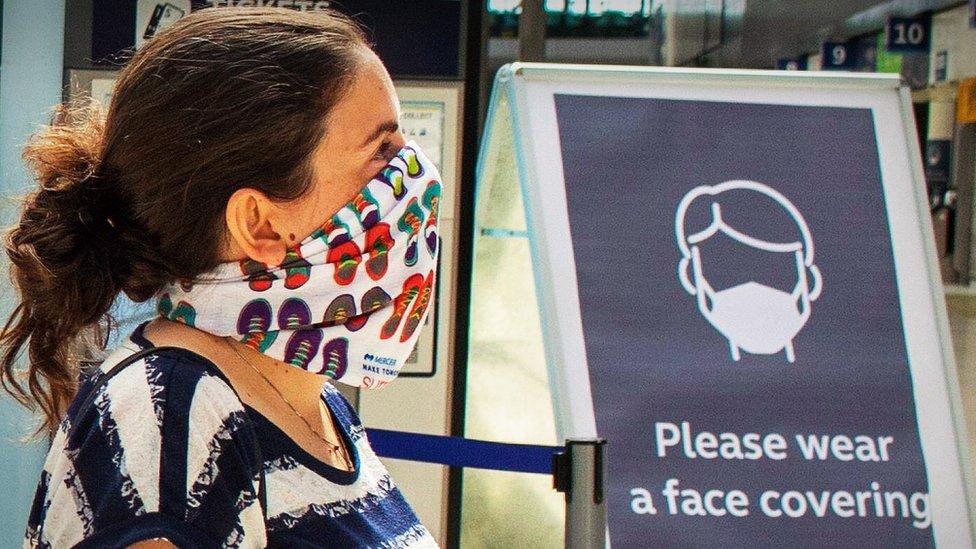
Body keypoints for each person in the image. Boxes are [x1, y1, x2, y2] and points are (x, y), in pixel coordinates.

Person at [1, 7, 441, 548]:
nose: (415, 175)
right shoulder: (168, 417)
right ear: (259, 223)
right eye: (382, 151)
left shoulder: (309, 398)